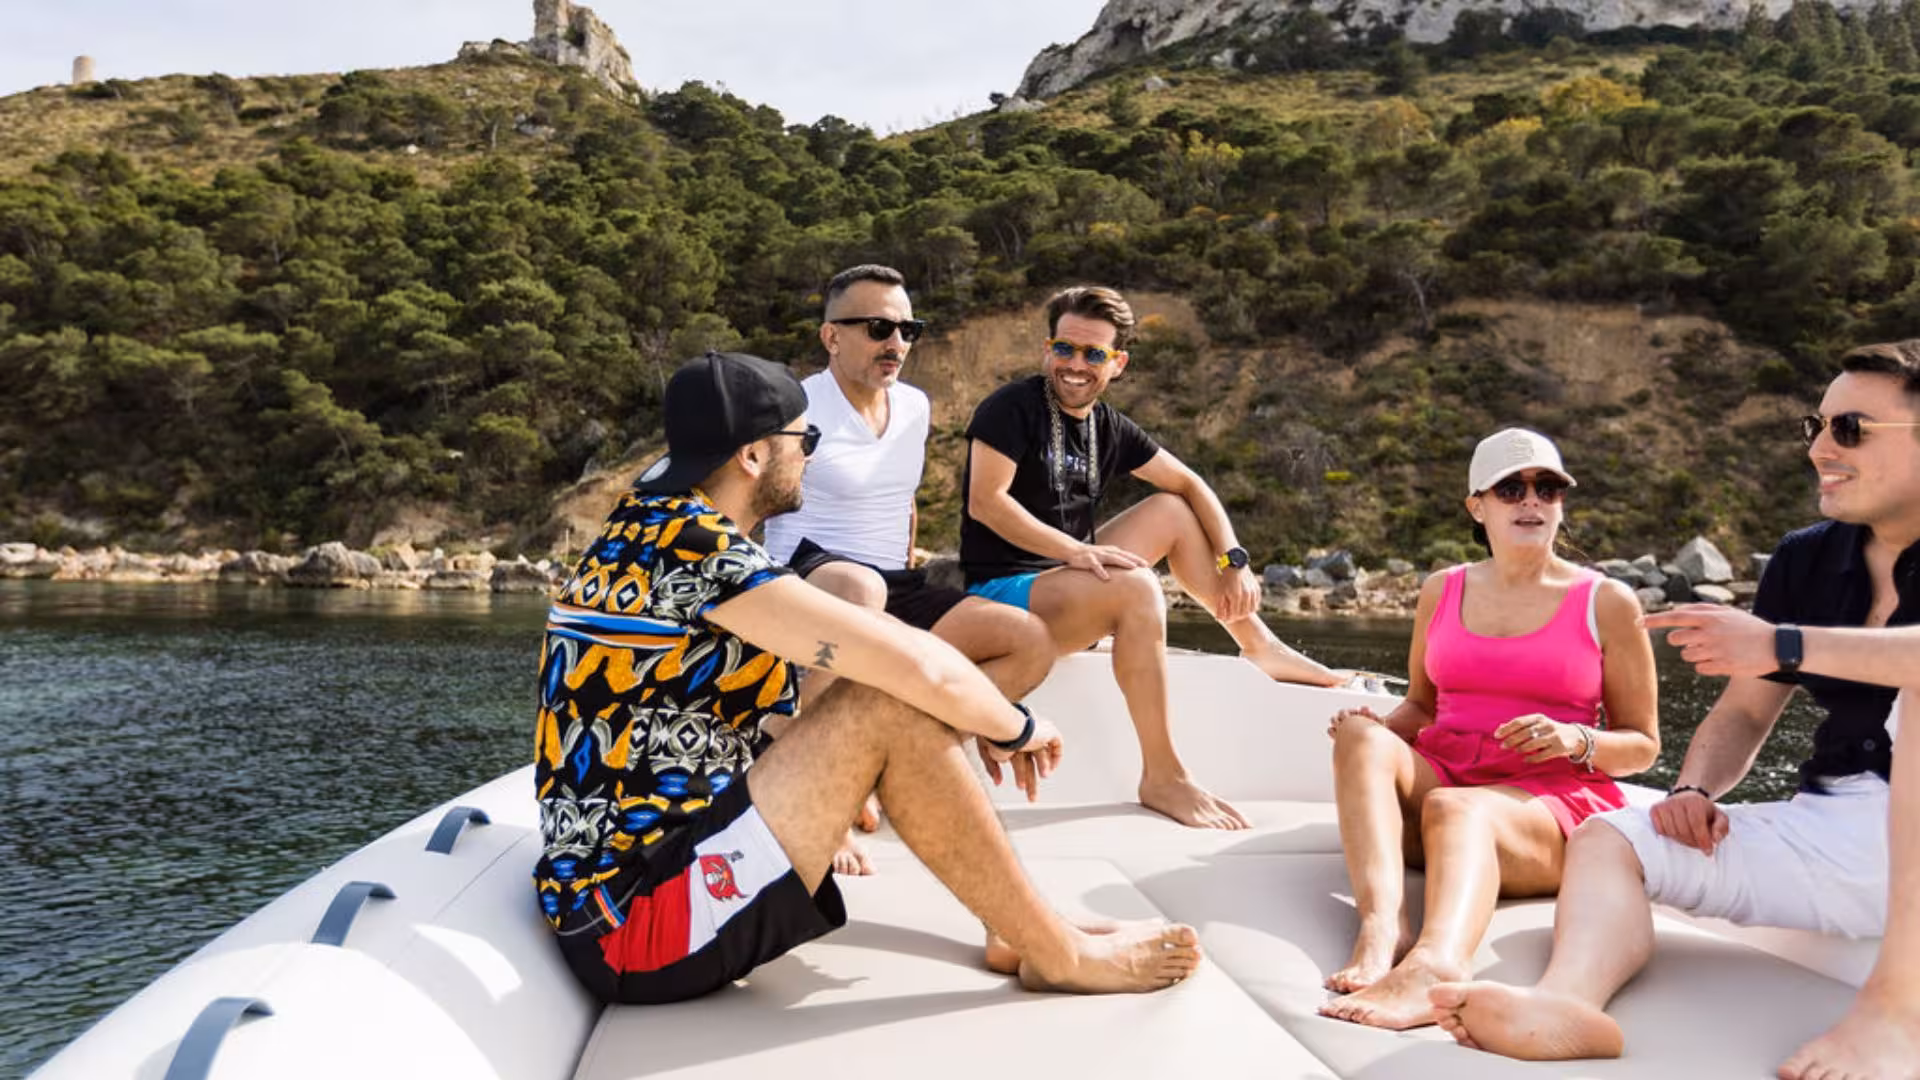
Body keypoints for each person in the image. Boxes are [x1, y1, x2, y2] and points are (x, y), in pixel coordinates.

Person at [534, 350, 1201, 1006]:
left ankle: (1019, 925)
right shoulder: (699, 550)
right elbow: (907, 661)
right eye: (806, 438)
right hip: (638, 929)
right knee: (886, 699)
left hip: (635, 884)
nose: (813, 455)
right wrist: (1017, 726)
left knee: (885, 700)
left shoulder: (637, 531)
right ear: (754, 456)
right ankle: (1060, 955)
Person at [1429, 341, 1920, 1078]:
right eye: (1813, 427)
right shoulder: (1807, 558)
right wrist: (1694, 791)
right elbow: (1745, 713)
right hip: (1836, 833)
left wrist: (1781, 643)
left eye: (1848, 429)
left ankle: (1894, 1016)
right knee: (1611, 836)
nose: (1820, 448)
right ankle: (1568, 1005)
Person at [959, 286, 1339, 831]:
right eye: (1064, 348)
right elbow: (986, 504)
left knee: (1171, 510)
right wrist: (1079, 552)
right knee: (1139, 586)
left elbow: (1190, 483)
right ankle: (1163, 775)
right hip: (1004, 595)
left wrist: (1236, 561)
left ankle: (1259, 645)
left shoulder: (1107, 426)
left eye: (1094, 355)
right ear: (1048, 349)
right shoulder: (1010, 408)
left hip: (1070, 581)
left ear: (1118, 363)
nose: (1075, 365)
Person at [1317, 429, 1659, 1030]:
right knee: (1361, 737)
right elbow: (1421, 710)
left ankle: (1435, 964)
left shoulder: (1606, 602)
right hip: (1447, 780)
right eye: (1511, 488)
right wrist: (1372, 734)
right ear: (1477, 505)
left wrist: (1575, 739)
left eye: (1548, 489)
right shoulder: (1440, 590)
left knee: (1459, 808)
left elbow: (1642, 747)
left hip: (1549, 810)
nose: (1532, 501)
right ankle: (1380, 925)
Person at [762, 265, 1056, 874]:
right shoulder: (796, 404)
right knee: (857, 587)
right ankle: (822, 789)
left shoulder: (916, 406)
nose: (895, 343)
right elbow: (749, 500)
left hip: (889, 581)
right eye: (876, 328)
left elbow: (905, 500)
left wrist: (909, 563)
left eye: (907, 329)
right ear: (831, 337)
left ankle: (890, 754)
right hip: (808, 576)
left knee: (1026, 639)